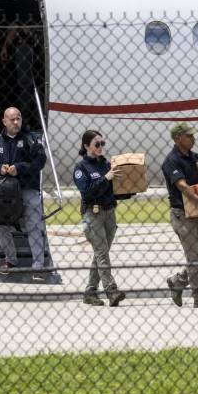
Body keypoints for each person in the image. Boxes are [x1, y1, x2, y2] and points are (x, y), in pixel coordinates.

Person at [0, 107, 49, 280]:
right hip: (5, 194)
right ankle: (11, 260)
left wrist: (19, 168)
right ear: (4, 121)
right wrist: (0, 169)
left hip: (28, 189)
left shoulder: (31, 139)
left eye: (18, 118)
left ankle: (39, 266)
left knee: (34, 226)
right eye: (12, 119)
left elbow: (40, 161)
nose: (16, 122)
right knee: (1, 227)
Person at [162, 122, 198, 309]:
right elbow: (182, 185)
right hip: (183, 214)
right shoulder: (171, 161)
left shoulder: (196, 158)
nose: (194, 138)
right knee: (194, 257)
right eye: (189, 136)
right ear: (178, 139)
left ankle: (178, 281)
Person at [73, 129, 129, 307]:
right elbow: (87, 192)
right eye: (97, 144)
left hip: (109, 212)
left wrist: (130, 189)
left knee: (100, 255)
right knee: (102, 254)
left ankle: (90, 292)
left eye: (102, 144)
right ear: (86, 146)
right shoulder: (81, 168)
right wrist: (106, 178)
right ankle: (111, 291)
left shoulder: (106, 164)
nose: (100, 147)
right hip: (93, 213)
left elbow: (113, 191)